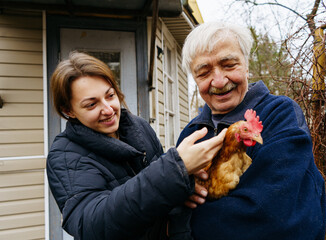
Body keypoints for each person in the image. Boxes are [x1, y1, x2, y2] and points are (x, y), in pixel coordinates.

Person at [46, 52, 227, 240]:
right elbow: (93, 226)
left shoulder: (138, 126)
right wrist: (175, 170)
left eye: (110, 95)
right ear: (69, 110)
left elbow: (159, 187)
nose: (108, 110)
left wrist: (185, 186)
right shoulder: (65, 156)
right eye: (91, 105)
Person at [177, 22, 326, 239]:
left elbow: (274, 216)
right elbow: (164, 203)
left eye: (229, 65)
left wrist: (183, 222)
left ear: (246, 65)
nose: (218, 81)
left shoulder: (281, 115)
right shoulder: (191, 134)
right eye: (203, 72)